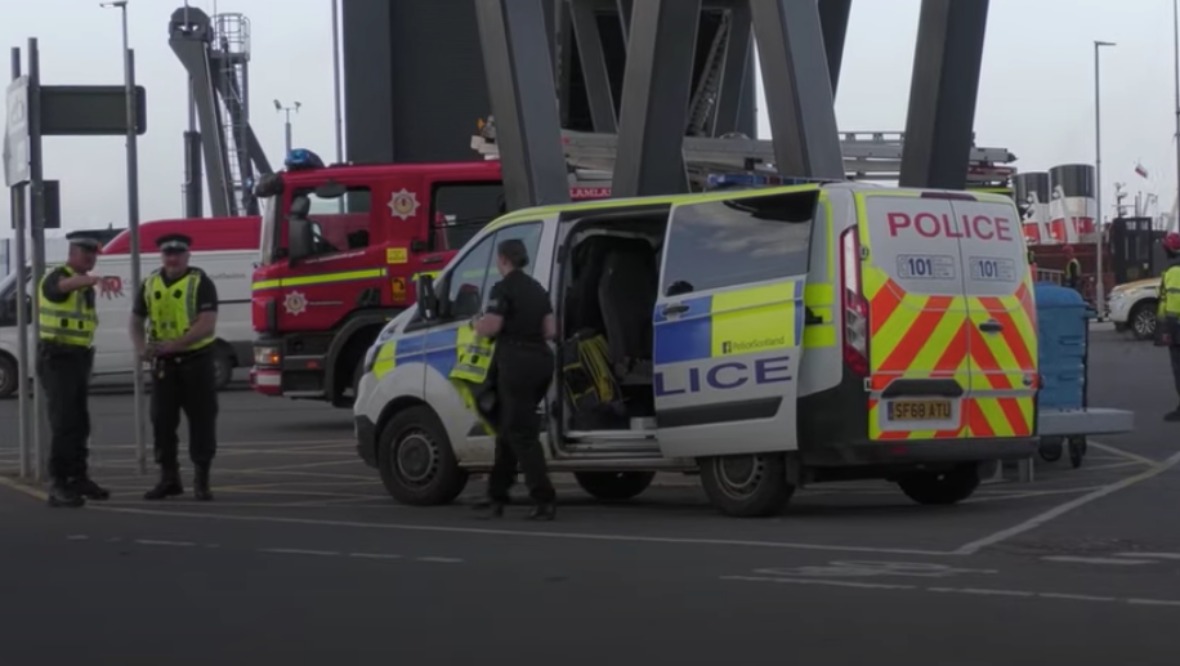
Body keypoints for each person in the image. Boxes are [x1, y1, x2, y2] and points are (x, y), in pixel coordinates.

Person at [471, 238, 558, 520]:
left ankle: (544, 499)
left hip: (516, 364)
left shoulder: (503, 288)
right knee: (509, 428)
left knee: (521, 433)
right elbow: (550, 330)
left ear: (504, 259)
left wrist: (476, 324)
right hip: (541, 362)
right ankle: (497, 495)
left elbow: (492, 326)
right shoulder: (537, 289)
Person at [129, 233, 220, 501]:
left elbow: (207, 323)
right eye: (168, 253)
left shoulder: (200, 282)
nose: (173, 258)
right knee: (162, 422)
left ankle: (202, 480)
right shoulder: (150, 283)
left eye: (178, 253)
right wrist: (141, 347)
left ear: (187, 255)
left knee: (202, 422)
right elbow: (135, 320)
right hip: (164, 366)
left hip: (196, 361)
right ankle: (169, 478)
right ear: (162, 256)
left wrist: (176, 344)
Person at [38, 232, 111, 508]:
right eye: (86, 253)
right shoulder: (55, 278)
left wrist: (91, 282)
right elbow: (62, 287)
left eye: (94, 254)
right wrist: (92, 279)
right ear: (73, 253)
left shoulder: (84, 287)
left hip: (78, 360)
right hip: (57, 358)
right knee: (64, 423)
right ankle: (58, 484)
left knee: (79, 423)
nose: (91, 258)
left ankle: (78, 477)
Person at [1158, 232, 1180, 422]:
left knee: (1178, 367)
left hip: (1177, 327)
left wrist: (1166, 330)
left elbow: (1171, 303)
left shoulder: (1173, 272)